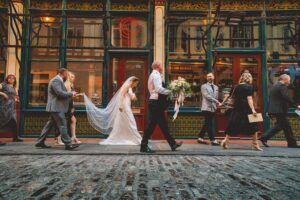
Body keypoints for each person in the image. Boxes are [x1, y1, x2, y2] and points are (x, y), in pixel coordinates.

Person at [84, 76, 142, 145]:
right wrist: (121, 105)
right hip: (124, 105)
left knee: (126, 121)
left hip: (127, 105)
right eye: (136, 83)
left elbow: (130, 97)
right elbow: (122, 95)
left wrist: (133, 96)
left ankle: (131, 137)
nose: (136, 85)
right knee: (131, 121)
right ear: (133, 81)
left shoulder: (130, 87)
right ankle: (137, 138)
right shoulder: (127, 85)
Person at [141, 61, 183, 153]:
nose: (162, 67)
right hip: (155, 103)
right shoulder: (156, 75)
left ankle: (173, 144)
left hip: (156, 103)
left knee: (163, 125)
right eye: (161, 65)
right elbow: (159, 89)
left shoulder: (155, 74)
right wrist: (171, 91)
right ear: (158, 66)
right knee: (151, 125)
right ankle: (143, 146)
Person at [35, 68, 80, 150]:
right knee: (63, 125)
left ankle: (39, 142)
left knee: (48, 126)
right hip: (56, 107)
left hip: (56, 107)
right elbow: (59, 93)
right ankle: (68, 144)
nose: (67, 76)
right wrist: (71, 93)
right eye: (66, 74)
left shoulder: (58, 80)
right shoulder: (56, 80)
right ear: (61, 73)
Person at [221, 72, 263, 151]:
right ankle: (255, 144)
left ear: (242, 78)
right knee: (254, 125)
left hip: (236, 108)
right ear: (249, 78)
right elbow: (249, 99)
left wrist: (222, 103)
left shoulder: (236, 86)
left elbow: (228, 95)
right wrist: (253, 109)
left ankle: (225, 141)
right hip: (246, 108)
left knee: (232, 124)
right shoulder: (249, 87)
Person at [260, 74, 300, 148]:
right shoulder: (282, 87)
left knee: (286, 127)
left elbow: (275, 99)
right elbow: (286, 97)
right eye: (289, 79)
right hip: (280, 110)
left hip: (276, 110)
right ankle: (264, 137)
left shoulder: (275, 86)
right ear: (285, 79)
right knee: (280, 126)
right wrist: (296, 105)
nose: (289, 81)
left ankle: (292, 143)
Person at [55, 71, 82, 145]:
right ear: (69, 77)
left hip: (68, 105)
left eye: (74, 77)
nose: (74, 78)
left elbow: (69, 95)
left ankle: (73, 137)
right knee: (65, 122)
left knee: (72, 121)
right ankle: (59, 138)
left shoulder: (70, 84)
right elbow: (67, 96)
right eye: (72, 77)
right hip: (66, 106)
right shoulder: (67, 84)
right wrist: (75, 96)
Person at [197, 73, 220, 146]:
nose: (209, 78)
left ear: (214, 77)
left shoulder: (216, 87)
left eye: (210, 76)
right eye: (208, 76)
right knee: (209, 123)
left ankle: (200, 137)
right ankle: (213, 140)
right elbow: (207, 96)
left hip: (213, 108)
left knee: (207, 123)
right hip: (206, 107)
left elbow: (216, 97)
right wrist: (217, 102)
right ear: (206, 78)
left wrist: (217, 104)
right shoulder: (203, 86)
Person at [0, 74, 23, 143]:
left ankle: (15, 137)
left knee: (14, 121)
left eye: (13, 78)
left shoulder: (13, 87)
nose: (11, 79)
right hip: (4, 106)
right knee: (2, 121)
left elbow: (13, 96)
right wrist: (3, 94)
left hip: (12, 107)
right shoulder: (3, 85)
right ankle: (15, 137)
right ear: (7, 79)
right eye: (9, 78)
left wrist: (16, 99)